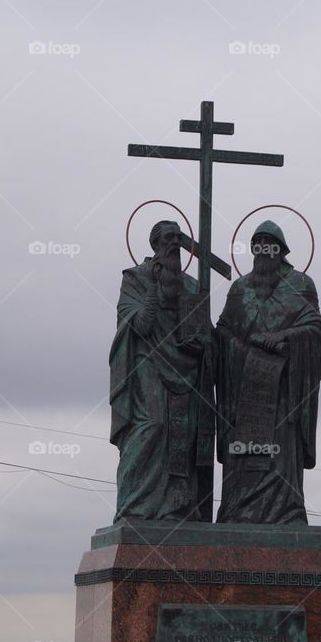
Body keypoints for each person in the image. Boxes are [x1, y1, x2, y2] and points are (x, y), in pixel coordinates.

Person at [216, 220, 321, 524]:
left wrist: (284, 337)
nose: (263, 251)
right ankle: (238, 512)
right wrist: (244, 351)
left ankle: (286, 513)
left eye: (270, 244)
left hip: (284, 390)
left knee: (280, 455)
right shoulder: (239, 289)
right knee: (244, 457)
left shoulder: (301, 284)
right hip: (245, 390)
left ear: (281, 251)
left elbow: (316, 332)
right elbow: (223, 333)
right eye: (258, 245)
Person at [110, 221, 214, 522]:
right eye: (168, 239)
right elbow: (138, 326)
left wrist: (203, 342)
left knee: (183, 433)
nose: (173, 244)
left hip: (187, 370)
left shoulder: (193, 286)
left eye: (178, 239)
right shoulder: (135, 279)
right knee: (153, 425)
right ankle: (135, 506)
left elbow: (205, 334)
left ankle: (176, 508)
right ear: (155, 244)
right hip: (148, 362)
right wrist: (154, 289)